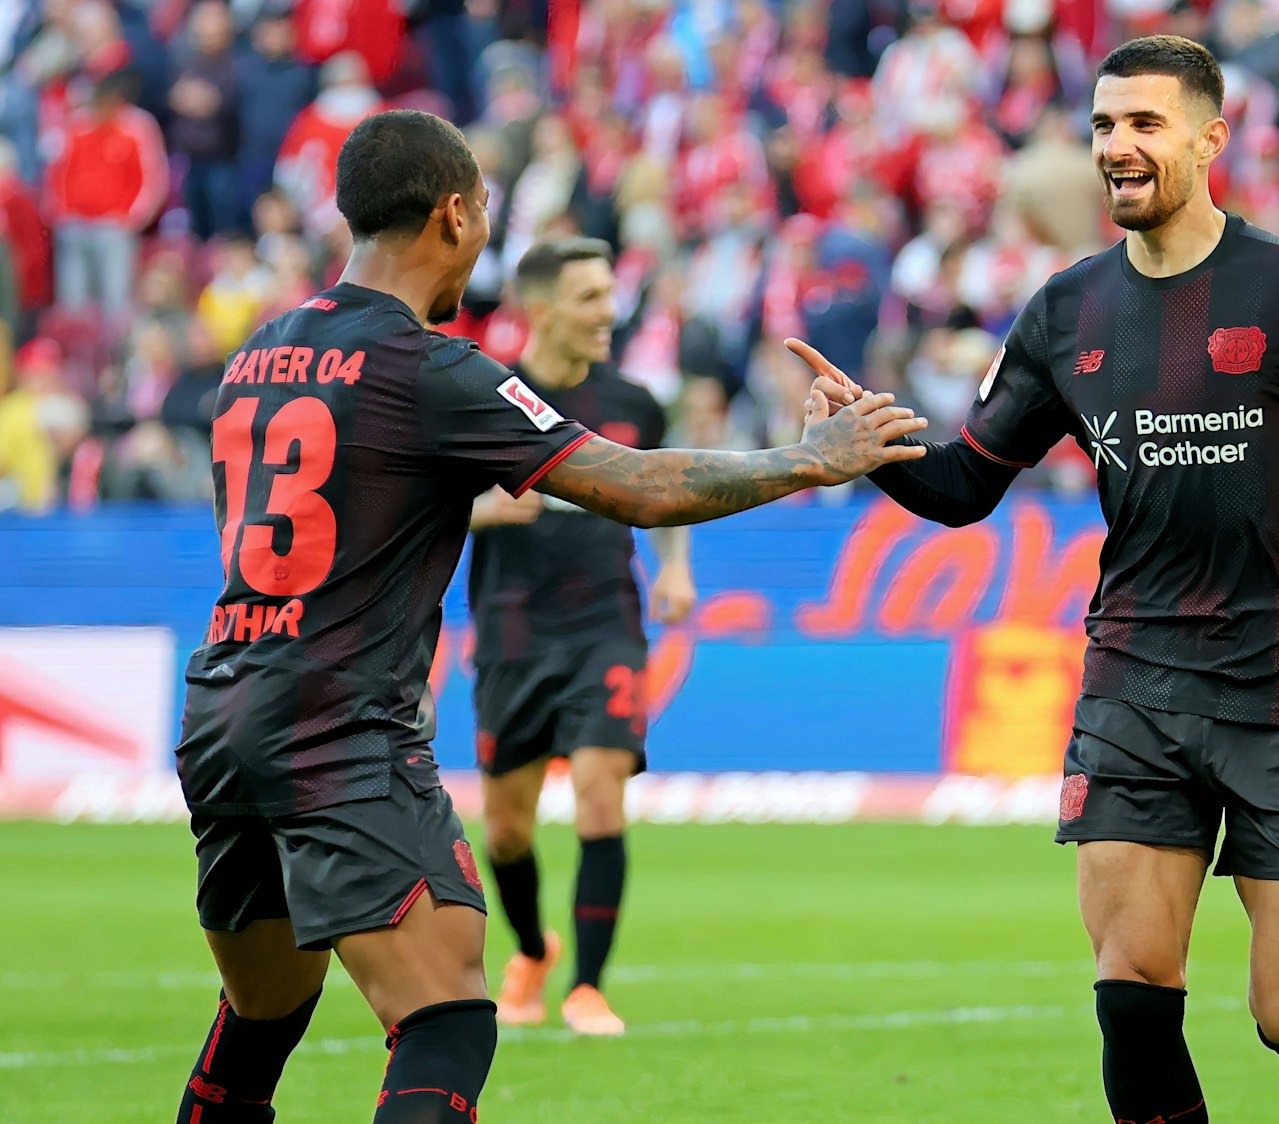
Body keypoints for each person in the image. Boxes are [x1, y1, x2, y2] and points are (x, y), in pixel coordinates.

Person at [171, 109, 925, 1124]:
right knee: (446, 1019)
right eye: (485, 210)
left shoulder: (261, 352)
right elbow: (638, 486)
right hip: (336, 721)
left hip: (222, 711)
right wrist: (809, 460)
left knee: (260, 1019)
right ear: (455, 214)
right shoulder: (433, 367)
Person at [795, 36, 1279, 1123]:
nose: (1117, 146)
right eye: (1103, 126)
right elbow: (965, 484)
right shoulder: (1066, 311)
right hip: (1136, 679)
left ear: (1211, 138)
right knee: (1132, 987)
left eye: (1144, 124)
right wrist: (867, 446)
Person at [465, 237, 697, 1037]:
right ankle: (533, 950)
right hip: (512, 629)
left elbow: (668, 491)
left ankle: (588, 989)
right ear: (541, 308)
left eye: (609, 294)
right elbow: (425, 503)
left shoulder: (634, 403)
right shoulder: (485, 398)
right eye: (590, 297)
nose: (609, 312)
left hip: (605, 622)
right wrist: (484, 509)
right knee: (506, 829)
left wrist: (674, 567)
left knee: (602, 790)